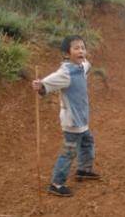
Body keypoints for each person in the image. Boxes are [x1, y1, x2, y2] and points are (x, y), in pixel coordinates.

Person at [32, 35, 100, 197]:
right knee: (69, 152)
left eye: (83, 47)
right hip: (71, 121)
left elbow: (88, 66)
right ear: (66, 53)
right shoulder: (65, 73)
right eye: (76, 48)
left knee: (87, 142)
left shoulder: (82, 66)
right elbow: (49, 83)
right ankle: (56, 183)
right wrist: (41, 85)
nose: (81, 51)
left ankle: (83, 170)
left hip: (82, 119)